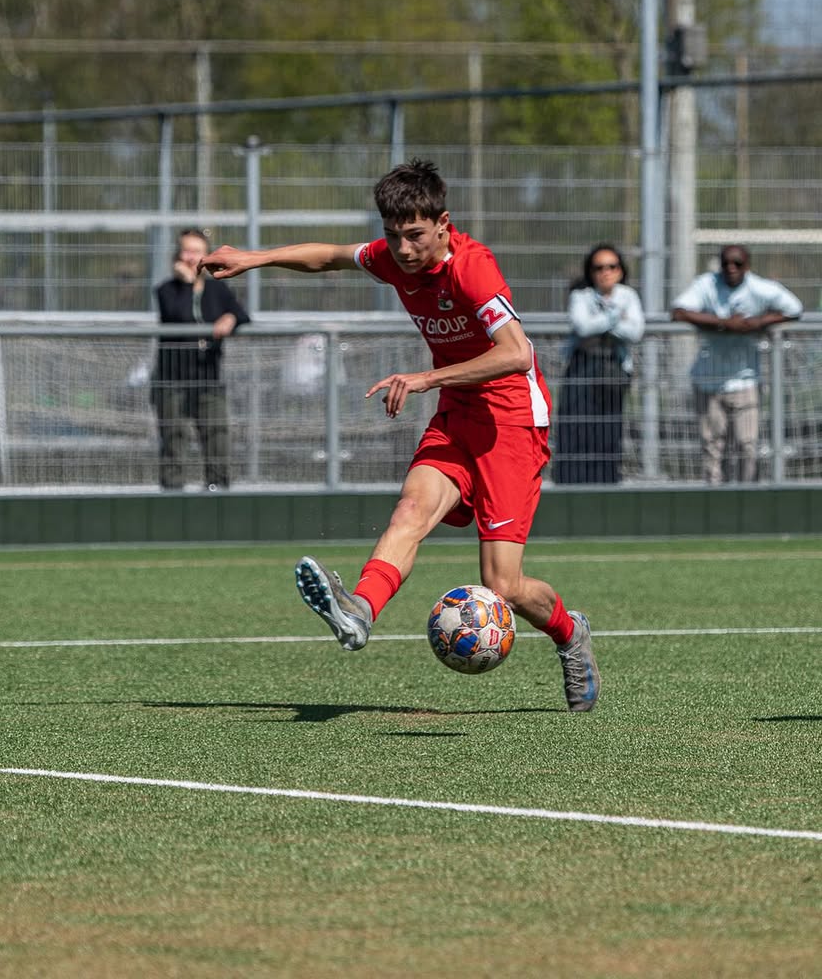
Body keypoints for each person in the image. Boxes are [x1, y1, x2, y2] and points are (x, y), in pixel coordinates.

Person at [202, 159, 600, 711]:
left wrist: (425, 378)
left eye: (414, 235)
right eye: (393, 235)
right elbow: (331, 257)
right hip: (458, 413)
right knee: (410, 510)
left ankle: (570, 633)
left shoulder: (472, 269)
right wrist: (255, 258)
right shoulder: (393, 257)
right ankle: (360, 611)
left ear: (443, 224)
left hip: (510, 424)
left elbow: (516, 353)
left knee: (503, 586)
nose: (403, 249)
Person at [671, 244, 802, 485]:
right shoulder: (706, 284)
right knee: (712, 447)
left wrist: (758, 322)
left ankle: (747, 495)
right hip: (708, 381)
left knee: (746, 445)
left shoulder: (759, 287)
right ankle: (714, 496)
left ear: (747, 266)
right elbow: (679, 312)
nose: (731, 268)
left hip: (745, 381)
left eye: (737, 264)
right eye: (726, 264)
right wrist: (724, 323)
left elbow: (794, 309)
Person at [152, 228, 251, 491]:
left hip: (207, 378)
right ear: (177, 255)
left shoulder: (217, 288)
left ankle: (217, 490)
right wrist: (187, 284)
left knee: (217, 435)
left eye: (197, 252)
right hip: (172, 380)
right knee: (174, 438)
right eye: (186, 251)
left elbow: (242, 314)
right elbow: (181, 316)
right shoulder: (166, 290)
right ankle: (173, 492)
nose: (191, 257)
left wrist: (230, 317)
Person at [553, 244, 645, 485]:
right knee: (575, 429)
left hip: (613, 370)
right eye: (599, 267)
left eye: (612, 266)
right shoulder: (580, 296)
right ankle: (571, 487)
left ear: (620, 270)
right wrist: (616, 316)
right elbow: (582, 327)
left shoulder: (628, 296)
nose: (606, 272)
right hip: (581, 367)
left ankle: (606, 486)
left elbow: (635, 331)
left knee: (607, 431)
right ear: (590, 271)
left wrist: (600, 322)